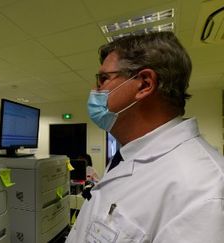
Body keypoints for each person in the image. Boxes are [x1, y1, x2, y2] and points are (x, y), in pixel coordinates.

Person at [66, 31, 224, 242]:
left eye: (103, 79)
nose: (95, 90)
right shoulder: (129, 154)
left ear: (144, 84)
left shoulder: (202, 189)